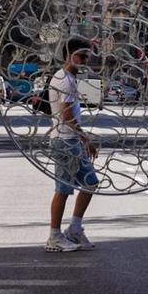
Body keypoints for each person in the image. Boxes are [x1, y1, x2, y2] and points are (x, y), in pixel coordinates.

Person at [45, 37, 99, 253]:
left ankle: (75, 228)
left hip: (71, 140)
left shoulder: (69, 77)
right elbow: (66, 114)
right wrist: (85, 137)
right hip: (64, 141)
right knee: (63, 189)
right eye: (81, 56)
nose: (84, 60)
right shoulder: (64, 79)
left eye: (86, 56)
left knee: (90, 183)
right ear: (69, 55)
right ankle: (54, 237)